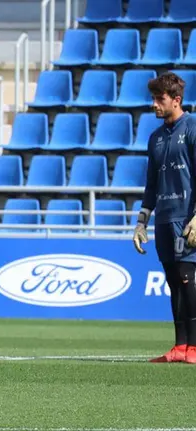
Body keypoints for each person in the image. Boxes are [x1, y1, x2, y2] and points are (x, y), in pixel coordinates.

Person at [135, 72, 196, 364]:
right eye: (153, 99)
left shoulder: (193, 128)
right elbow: (151, 184)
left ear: (176, 100)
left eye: (160, 99)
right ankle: (180, 346)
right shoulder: (155, 138)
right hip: (163, 220)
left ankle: (194, 347)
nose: (155, 105)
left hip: (187, 218)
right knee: (173, 281)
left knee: (188, 279)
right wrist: (141, 221)